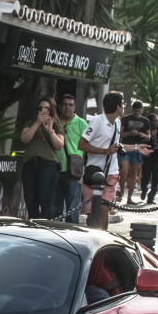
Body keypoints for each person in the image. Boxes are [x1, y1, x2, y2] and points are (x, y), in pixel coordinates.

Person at [79, 92, 125, 230]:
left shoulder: (117, 122)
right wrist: (104, 151)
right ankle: (91, 238)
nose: (124, 108)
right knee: (92, 212)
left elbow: (114, 146)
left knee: (104, 208)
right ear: (117, 107)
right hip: (93, 173)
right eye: (123, 104)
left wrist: (136, 147)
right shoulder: (96, 122)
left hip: (111, 172)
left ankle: (102, 238)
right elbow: (81, 145)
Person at [18, 96, 63, 219]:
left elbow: (59, 145)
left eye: (47, 108)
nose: (44, 111)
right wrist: (37, 123)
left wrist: (50, 130)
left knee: (45, 200)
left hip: (48, 165)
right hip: (30, 164)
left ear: (51, 110)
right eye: (41, 108)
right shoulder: (31, 122)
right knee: (30, 200)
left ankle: (45, 227)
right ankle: (33, 226)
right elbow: (24, 139)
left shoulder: (56, 124)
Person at [52, 94, 88, 223]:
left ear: (74, 107)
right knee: (55, 206)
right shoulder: (54, 122)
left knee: (73, 207)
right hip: (55, 168)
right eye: (65, 104)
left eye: (70, 105)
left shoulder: (81, 123)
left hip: (74, 170)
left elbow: (87, 146)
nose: (67, 107)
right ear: (60, 106)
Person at [118, 100, 152, 204]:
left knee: (134, 173)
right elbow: (121, 134)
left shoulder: (145, 121)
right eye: (135, 111)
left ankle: (129, 197)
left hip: (138, 149)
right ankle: (121, 193)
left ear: (141, 110)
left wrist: (143, 135)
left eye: (139, 111)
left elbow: (148, 137)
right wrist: (129, 133)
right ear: (132, 110)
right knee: (124, 171)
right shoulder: (125, 119)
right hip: (126, 148)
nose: (137, 113)